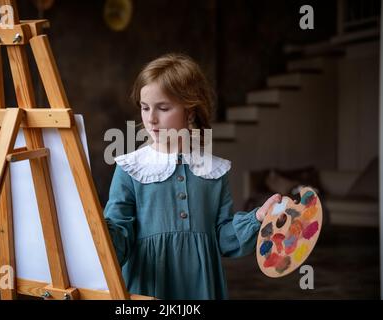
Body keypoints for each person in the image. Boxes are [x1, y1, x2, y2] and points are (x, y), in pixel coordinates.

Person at [103, 53, 281, 299]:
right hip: (149, 287)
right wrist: (97, 228)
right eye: (145, 108)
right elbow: (119, 239)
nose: (150, 119)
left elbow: (225, 239)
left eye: (163, 108)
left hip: (201, 288)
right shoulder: (130, 168)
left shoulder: (213, 171)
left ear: (190, 111)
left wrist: (258, 218)